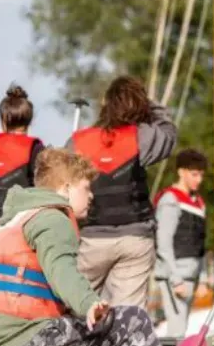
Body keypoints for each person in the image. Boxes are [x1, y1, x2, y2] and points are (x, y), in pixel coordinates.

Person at [0, 148, 169, 346]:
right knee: (134, 321)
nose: (92, 196)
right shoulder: (53, 219)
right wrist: (88, 303)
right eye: (86, 188)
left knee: (90, 333)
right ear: (66, 188)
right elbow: (62, 271)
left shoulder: (4, 223)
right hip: (21, 345)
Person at [66, 76, 177, 308]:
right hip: (135, 238)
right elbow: (168, 133)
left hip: (91, 240)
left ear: (105, 105)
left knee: (77, 308)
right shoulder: (141, 136)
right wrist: (150, 105)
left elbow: (60, 182)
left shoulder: (78, 142)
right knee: (128, 315)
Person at [0, 84, 44, 234]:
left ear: (3, 120)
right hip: (22, 229)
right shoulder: (35, 147)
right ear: (29, 121)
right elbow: (41, 194)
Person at [154, 149, 210, 337]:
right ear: (181, 172)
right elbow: (163, 242)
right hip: (174, 277)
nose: (199, 180)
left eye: (201, 175)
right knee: (176, 331)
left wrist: (203, 279)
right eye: (194, 174)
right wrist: (175, 279)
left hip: (191, 276)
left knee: (182, 329)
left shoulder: (199, 203)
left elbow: (200, 243)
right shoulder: (170, 199)